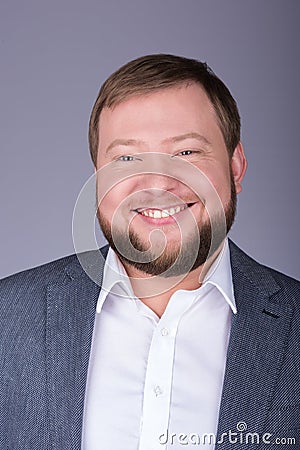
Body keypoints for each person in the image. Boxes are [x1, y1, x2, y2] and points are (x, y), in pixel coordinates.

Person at [0, 54, 299, 450]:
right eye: (127, 158)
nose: (158, 182)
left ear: (236, 166)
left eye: (187, 153)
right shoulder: (8, 318)